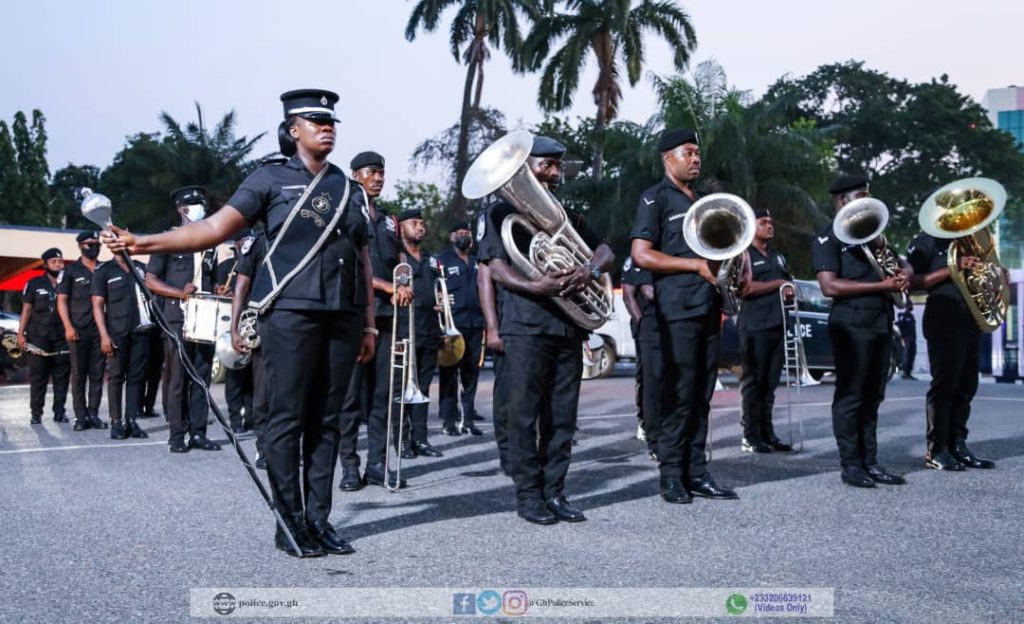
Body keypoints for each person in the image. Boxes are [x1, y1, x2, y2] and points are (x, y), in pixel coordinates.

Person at [103, 88, 377, 558]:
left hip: (343, 317)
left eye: (331, 121)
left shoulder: (348, 189)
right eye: (315, 121)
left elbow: (364, 259)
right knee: (288, 419)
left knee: (327, 420)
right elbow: (214, 228)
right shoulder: (268, 178)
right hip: (290, 313)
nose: (327, 127)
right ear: (293, 130)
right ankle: (289, 523)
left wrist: (369, 324)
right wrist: (145, 242)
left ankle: (319, 519)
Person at [479, 135, 614, 525]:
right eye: (545, 165)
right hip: (525, 326)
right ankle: (529, 495)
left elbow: (606, 251)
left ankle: (556, 491)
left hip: (568, 326)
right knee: (523, 415)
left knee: (562, 416)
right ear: (525, 168)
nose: (554, 173)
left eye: (558, 166)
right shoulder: (500, 213)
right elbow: (496, 267)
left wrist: (588, 269)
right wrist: (534, 285)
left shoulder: (566, 214)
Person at [630, 128, 739, 505]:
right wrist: (694, 265)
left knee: (701, 394)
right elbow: (642, 255)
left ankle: (697, 471)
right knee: (678, 394)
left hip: (709, 308)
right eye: (688, 153)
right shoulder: (654, 198)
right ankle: (671, 475)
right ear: (667, 159)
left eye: (698, 153)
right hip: (675, 311)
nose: (696, 159)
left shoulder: (706, 201)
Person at [812, 173, 909, 488]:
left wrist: (904, 273)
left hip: (880, 320)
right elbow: (829, 286)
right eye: (859, 196)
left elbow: (902, 265)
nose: (866, 202)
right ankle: (851, 465)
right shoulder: (828, 237)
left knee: (873, 395)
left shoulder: (875, 237)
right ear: (842, 201)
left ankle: (871, 462)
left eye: (868, 195)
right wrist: (882, 284)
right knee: (851, 395)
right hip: (850, 323)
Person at [336, 150, 412, 491]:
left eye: (382, 172)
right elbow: (352, 266)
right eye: (372, 172)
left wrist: (404, 284)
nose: (379, 178)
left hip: (387, 317)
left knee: (384, 394)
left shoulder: (389, 220)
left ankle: (377, 463)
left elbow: (399, 263)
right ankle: (349, 465)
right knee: (350, 396)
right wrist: (387, 287)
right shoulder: (346, 213)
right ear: (355, 175)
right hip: (354, 315)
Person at [907, 232, 995, 470]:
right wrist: (952, 268)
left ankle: (958, 445)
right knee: (945, 384)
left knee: (967, 386)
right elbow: (912, 282)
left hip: (971, 318)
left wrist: (997, 276)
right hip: (943, 317)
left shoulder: (973, 240)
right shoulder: (925, 242)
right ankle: (937, 449)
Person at [145, 186, 221, 453]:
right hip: (178, 317)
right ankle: (177, 435)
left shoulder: (209, 243)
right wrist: (179, 293)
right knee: (178, 377)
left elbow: (212, 279)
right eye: (195, 205)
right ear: (182, 210)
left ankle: (198, 433)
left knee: (202, 378)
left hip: (206, 317)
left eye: (202, 203)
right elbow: (151, 280)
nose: (201, 209)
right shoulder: (170, 240)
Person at [736, 208, 795, 454]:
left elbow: (788, 282)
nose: (770, 226)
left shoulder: (778, 257)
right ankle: (750, 435)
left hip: (777, 324)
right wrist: (780, 284)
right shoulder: (743, 254)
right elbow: (744, 288)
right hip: (754, 326)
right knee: (754, 383)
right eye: (763, 222)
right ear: (751, 226)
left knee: (769, 385)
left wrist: (789, 291)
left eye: (771, 222)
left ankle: (767, 433)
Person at [396, 208, 444, 459]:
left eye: (422, 223)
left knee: (422, 389)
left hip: (429, 329)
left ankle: (420, 439)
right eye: (414, 223)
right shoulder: (397, 257)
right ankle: (402, 440)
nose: (420, 227)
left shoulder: (431, 259)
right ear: (401, 227)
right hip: (405, 329)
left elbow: (436, 289)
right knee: (403, 388)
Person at [91, 252, 150, 439]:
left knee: (136, 378)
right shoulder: (104, 271)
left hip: (141, 330)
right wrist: (104, 335)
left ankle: (131, 420)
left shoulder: (141, 268)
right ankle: (116, 422)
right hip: (117, 332)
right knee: (116, 377)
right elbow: (97, 305)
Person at [436, 222, 486, 436]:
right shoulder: (442, 261)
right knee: (449, 373)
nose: (464, 237)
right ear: (452, 237)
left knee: (471, 374)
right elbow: (436, 288)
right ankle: (449, 419)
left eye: (467, 233)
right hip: (453, 325)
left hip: (476, 324)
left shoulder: (478, 262)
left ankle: (468, 419)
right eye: (460, 233)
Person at [56, 231, 108, 430]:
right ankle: (80, 416)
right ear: (80, 246)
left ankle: (94, 414)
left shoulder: (105, 269)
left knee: (97, 373)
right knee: (79, 373)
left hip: (101, 329)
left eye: (97, 244)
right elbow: (61, 300)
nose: (94, 247)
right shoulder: (70, 271)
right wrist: (68, 326)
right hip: (78, 329)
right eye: (89, 244)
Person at [18, 248, 71, 425]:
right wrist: (21, 334)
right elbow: (26, 309)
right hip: (38, 337)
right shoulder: (33, 283)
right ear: (45, 264)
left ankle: (59, 412)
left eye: (61, 261)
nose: (58, 264)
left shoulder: (69, 282)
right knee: (38, 377)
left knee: (61, 377)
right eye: (54, 261)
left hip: (62, 337)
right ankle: (36, 413)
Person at [621, 255, 659, 460]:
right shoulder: (635, 260)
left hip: (668, 326)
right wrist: (642, 323)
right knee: (646, 378)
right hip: (647, 326)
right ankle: (646, 424)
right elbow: (628, 295)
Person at [217, 235, 255, 433]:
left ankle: (251, 418)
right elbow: (218, 290)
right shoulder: (225, 267)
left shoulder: (257, 263)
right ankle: (235, 421)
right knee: (234, 377)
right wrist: (223, 292)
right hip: (233, 325)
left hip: (252, 324)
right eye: (242, 239)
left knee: (253, 377)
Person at [896, 300, 918, 380]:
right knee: (906, 355)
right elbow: (898, 325)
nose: (911, 307)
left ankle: (909, 373)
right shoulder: (903, 316)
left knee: (912, 355)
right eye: (910, 306)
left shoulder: (911, 316)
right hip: (906, 338)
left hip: (913, 338)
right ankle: (905, 373)